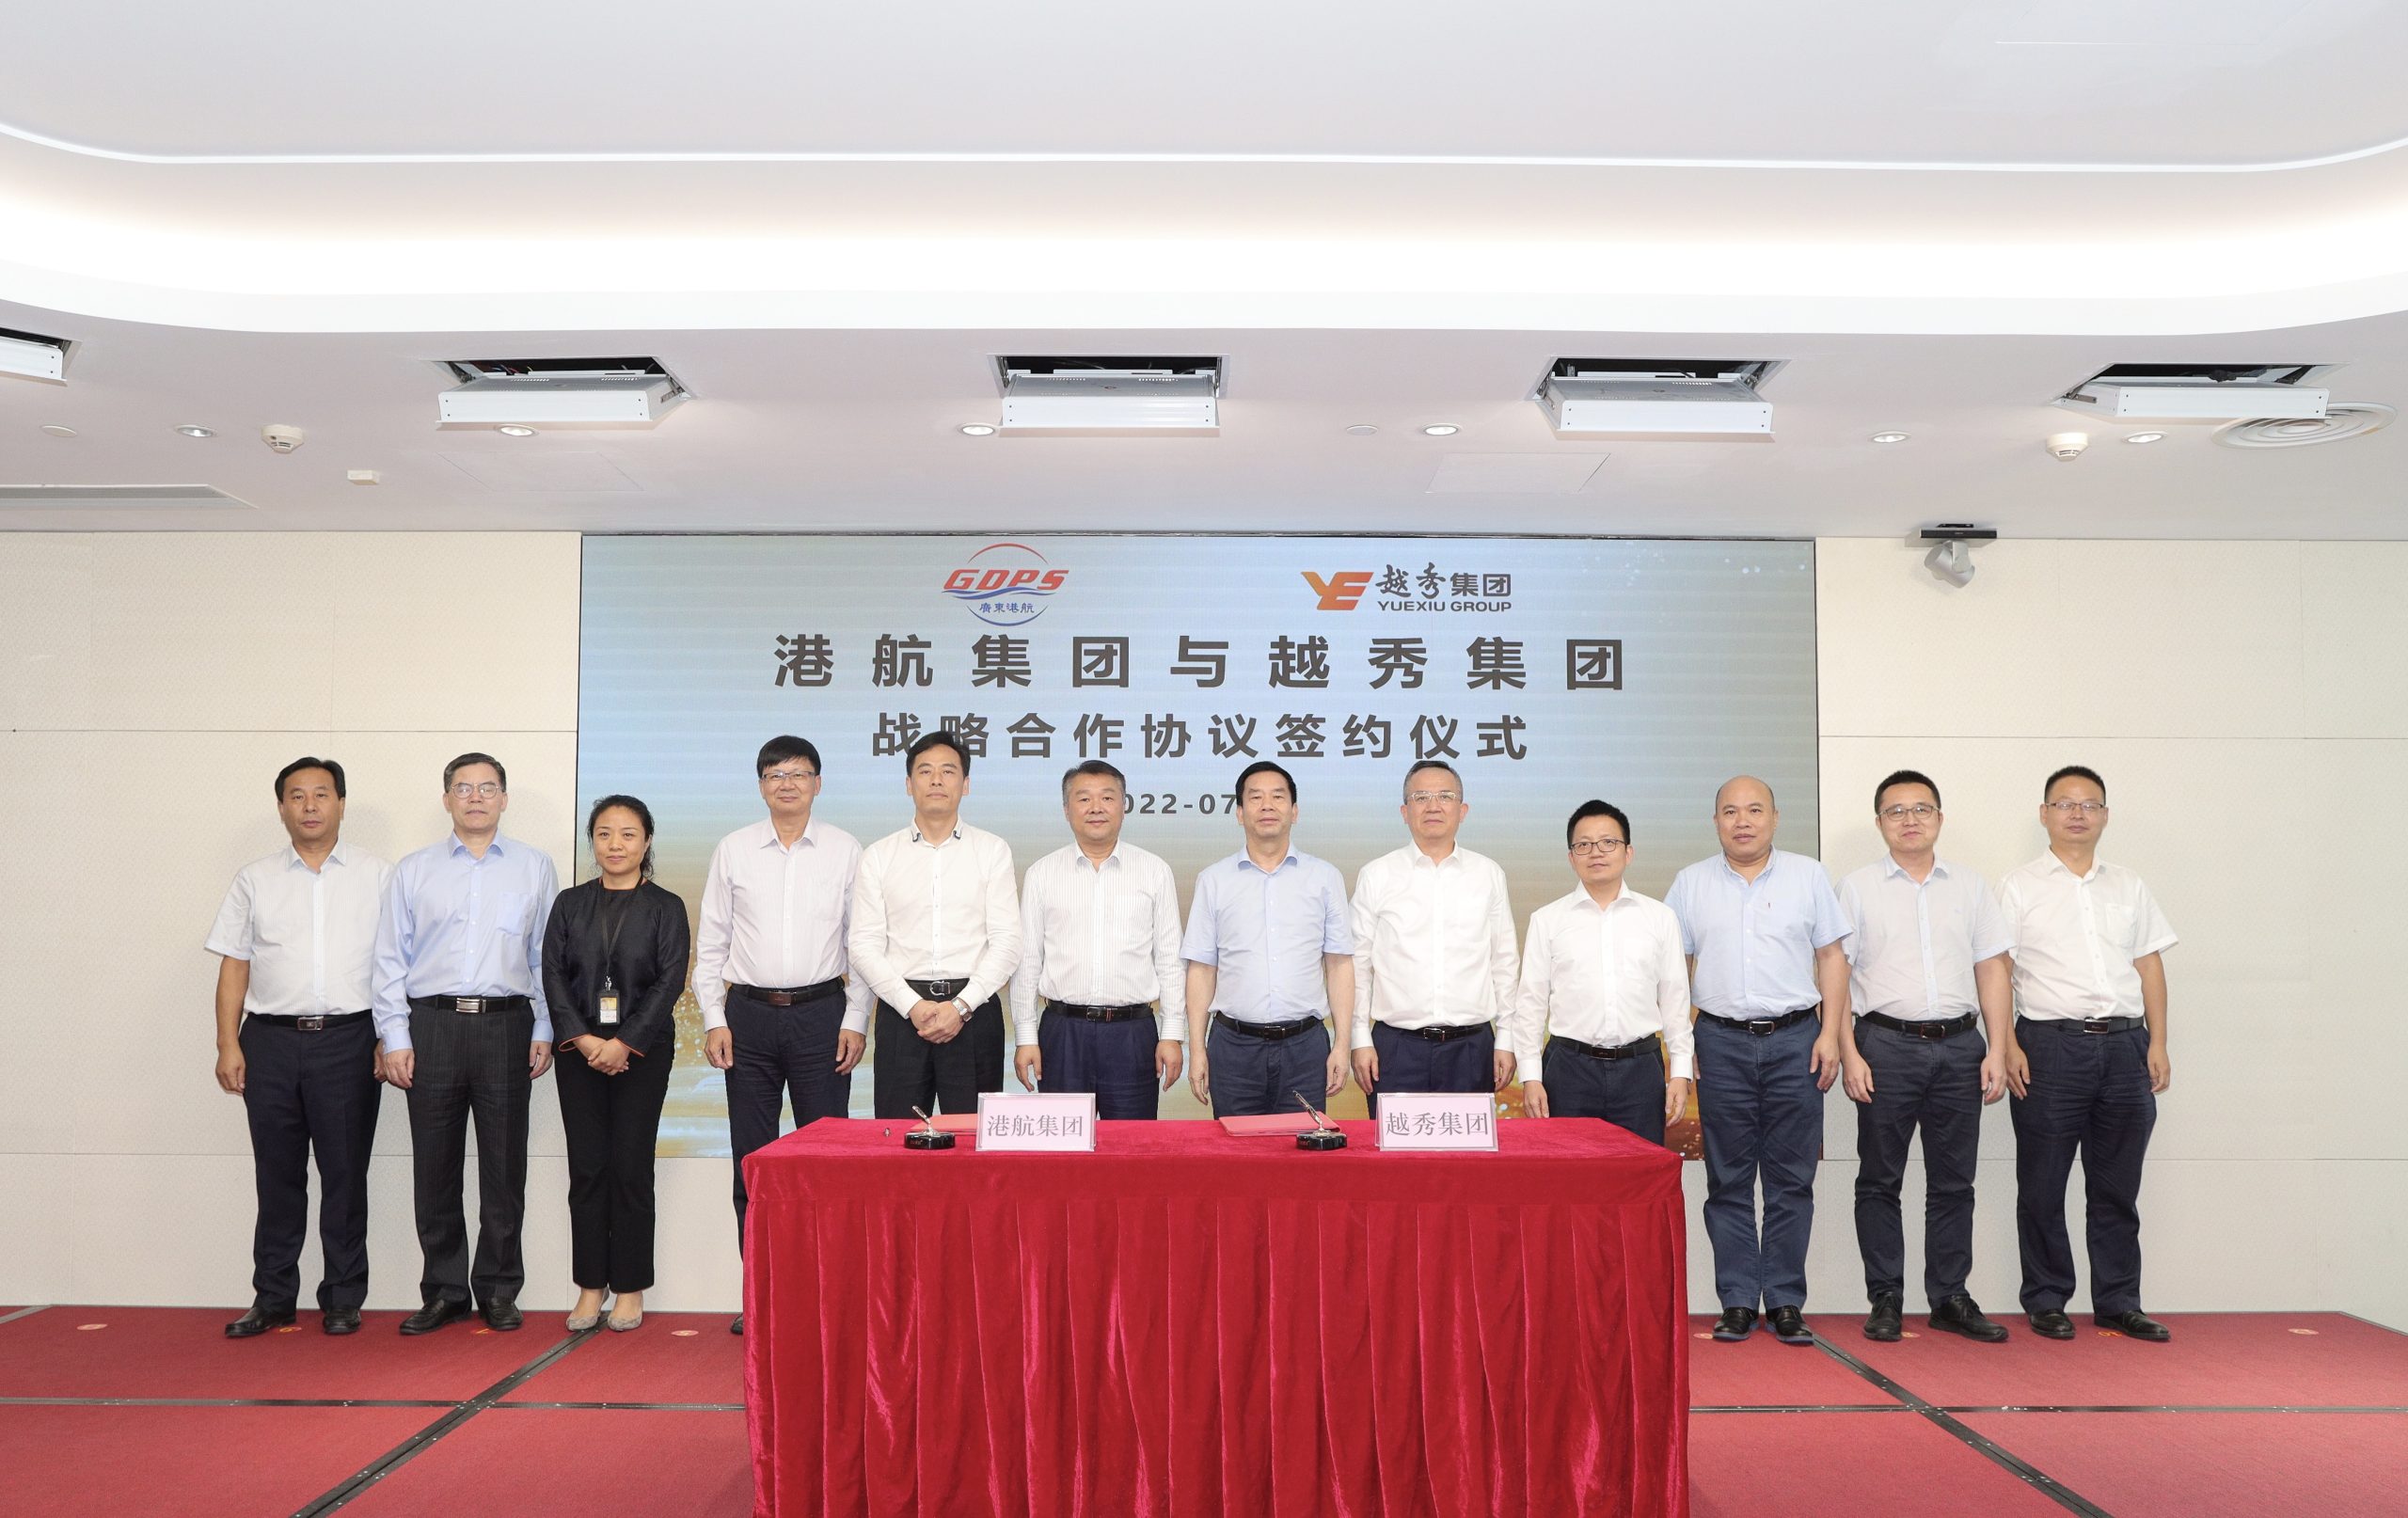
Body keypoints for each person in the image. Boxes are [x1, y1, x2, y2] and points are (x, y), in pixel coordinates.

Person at [372, 752, 556, 1335]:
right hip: (432, 1027)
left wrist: (544, 1028)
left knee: (504, 1166)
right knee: (435, 1166)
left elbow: (545, 956)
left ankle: (499, 1288)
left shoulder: (534, 866)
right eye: (463, 788)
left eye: (488, 788)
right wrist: (395, 1036)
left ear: (504, 799)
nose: (476, 797)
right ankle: (444, 1290)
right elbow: (390, 959)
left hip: (507, 1026)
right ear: (446, 798)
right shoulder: (414, 870)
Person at [691, 736, 871, 1336]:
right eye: (774, 774)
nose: (786, 783)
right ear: (761, 785)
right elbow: (711, 944)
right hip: (748, 1017)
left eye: (798, 773)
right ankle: (763, 1293)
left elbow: (862, 945)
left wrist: (855, 1018)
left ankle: (830, 1297)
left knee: (828, 1162)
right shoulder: (734, 849)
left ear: (818, 783)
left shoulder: (845, 850)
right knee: (754, 1160)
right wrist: (714, 1017)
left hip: (823, 1015)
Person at [206, 757, 391, 1338]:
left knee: (345, 1176)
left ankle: (343, 1296)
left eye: (321, 794)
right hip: (270, 1043)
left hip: (349, 1040)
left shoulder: (379, 876)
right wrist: (227, 1044)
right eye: (296, 796)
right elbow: (235, 966)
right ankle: (273, 1297)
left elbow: (396, 966)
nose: (309, 806)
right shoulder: (254, 879)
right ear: (282, 807)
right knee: (277, 1176)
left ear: (341, 803)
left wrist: (389, 1037)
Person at [1998, 765, 2178, 1344]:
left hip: (2126, 1047)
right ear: (2044, 814)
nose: (2077, 813)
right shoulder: (2018, 886)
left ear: (2105, 815)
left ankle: (2119, 1302)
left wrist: (2158, 1041)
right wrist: (2005, 1044)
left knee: (2116, 1187)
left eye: (2090, 804)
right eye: (2065, 803)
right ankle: (2047, 1298)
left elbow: (2149, 965)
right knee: (2043, 1185)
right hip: (2049, 1048)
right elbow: (1998, 969)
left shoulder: (2128, 885)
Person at [1666, 776, 1850, 1347]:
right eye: (1730, 811)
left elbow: (1832, 957)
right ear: (1715, 821)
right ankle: (1739, 1300)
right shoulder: (1691, 883)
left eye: (1753, 810)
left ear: (1774, 817)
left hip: (1797, 1039)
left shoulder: (1808, 876)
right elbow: (1673, 968)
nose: (1742, 821)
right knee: (1728, 1178)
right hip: (1719, 1042)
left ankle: (1787, 1300)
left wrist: (1830, 1034)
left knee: (1792, 1179)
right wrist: (1683, 1044)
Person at [1835, 770, 2013, 1345]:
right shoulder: (1857, 888)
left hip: (1961, 1048)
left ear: (1940, 818)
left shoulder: (1970, 886)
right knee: (1879, 1180)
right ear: (1880, 822)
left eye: (1921, 809)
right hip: (1883, 1045)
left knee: (1954, 1183)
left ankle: (1950, 1297)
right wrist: (1848, 1051)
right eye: (1896, 811)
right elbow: (1834, 974)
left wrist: (1998, 1047)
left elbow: (1992, 968)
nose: (1909, 820)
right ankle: (1886, 1296)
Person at [542, 795, 689, 1334]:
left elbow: (670, 980)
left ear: (646, 842)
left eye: (628, 834)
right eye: (604, 834)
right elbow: (552, 975)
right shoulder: (569, 904)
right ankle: (589, 1286)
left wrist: (625, 1042)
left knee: (630, 1167)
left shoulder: (666, 906)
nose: (616, 845)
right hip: (578, 1052)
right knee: (587, 1169)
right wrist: (583, 1040)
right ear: (592, 842)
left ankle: (629, 1288)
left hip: (642, 1054)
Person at [849, 731, 1021, 1119]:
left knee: (975, 1138)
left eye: (948, 771)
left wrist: (960, 1007)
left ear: (966, 784)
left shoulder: (992, 851)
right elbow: (863, 945)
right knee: (898, 1137)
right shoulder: (879, 856)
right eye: (925, 771)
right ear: (909, 784)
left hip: (974, 1012)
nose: (937, 780)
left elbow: (1008, 942)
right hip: (902, 1012)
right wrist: (912, 1006)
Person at [1009, 761, 1187, 1118]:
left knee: (1130, 1145)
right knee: (1062, 1142)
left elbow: (1170, 960)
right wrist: (1026, 1036)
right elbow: (1028, 960)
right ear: (1066, 809)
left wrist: (1171, 1034)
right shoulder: (1042, 873)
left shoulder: (1154, 871)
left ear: (1124, 805)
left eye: (1107, 797)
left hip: (1132, 1034)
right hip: (1062, 1032)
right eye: (1083, 798)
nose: (1096, 808)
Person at [1510, 800, 1692, 1145]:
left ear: (1628, 852)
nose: (1596, 852)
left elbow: (1675, 1000)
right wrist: (1531, 1077)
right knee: (1571, 1173)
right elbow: (1531, 1003)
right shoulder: (1547, 920)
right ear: (1571, 857)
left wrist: (1681, 1072)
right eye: (1584, 844)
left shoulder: (1659, 918)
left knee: (1638, 1172)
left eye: (1608, 842)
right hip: (1569, 1070)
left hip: (1640, 1069)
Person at [1182, 761, 1354, 1117]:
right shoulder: (1214, 880)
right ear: (1239, 813)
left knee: (1302, 1148)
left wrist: (1342, 1044)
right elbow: (1201, 969)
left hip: (1305, 1047)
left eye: (1278, 797)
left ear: (1295, 811)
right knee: (1235, 1149)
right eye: (1255, 797)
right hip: (1233, 1048)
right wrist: (1197, 1049)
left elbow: (1339, 965)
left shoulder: (1324, 878)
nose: (1267, 806)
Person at [1348, 761, 1517, 1115]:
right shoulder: (1377, 875)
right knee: (1395, 1150)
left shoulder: (1488, 874)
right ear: (1404, 812)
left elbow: (1504, 961)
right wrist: (1359, 1037)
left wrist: (1506, 1037)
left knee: (1467, 1149)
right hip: (1395, 1049)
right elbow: (1358, 965)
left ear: (1463, 810)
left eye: (1445, 796)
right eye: (1421, 797)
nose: (1433, 806)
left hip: (1472, 1049)